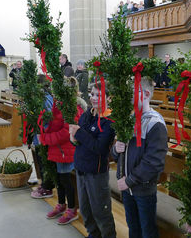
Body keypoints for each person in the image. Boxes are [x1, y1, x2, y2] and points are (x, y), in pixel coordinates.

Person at [112, 77, 168, 238]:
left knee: (147, 231)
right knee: (133, 227)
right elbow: (118, 154)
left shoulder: (155, 124)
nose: (130, 94)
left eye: (133, 91)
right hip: (127, 188)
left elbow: (153, 163)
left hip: (143, 188)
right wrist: (116, 150)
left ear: (146, 94)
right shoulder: (129, 120)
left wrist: (129, 180)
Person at [69, 82, 116, 238]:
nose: (94, 98)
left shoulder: (109, 121)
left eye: (99, 95)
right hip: (81, 168)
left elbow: (99, 148)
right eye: (92, 94)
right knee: (85, 211)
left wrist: (79, 133)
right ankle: (93, 235)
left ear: (109, 98)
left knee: (101, 212)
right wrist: (73, 138)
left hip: (96, 173)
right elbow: (79, 139)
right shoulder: (87, 114)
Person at [43, 77, 85, 225]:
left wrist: (47, 139)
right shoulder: (60, 105)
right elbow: (54, 125)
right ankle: (61, 204)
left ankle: (72, 209)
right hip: (58, 149)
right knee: (59, 180)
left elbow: (67, 132)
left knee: (67, 181)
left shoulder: (73, 107)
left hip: (67, 149)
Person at [31, 75, 55, 199]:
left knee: (46, 163)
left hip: (44, 134)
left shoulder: (46, 98)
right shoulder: (41, 97)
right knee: (41, 161)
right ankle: (44, 185)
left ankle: (47, 188)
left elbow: (50, 116)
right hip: (40, 134)